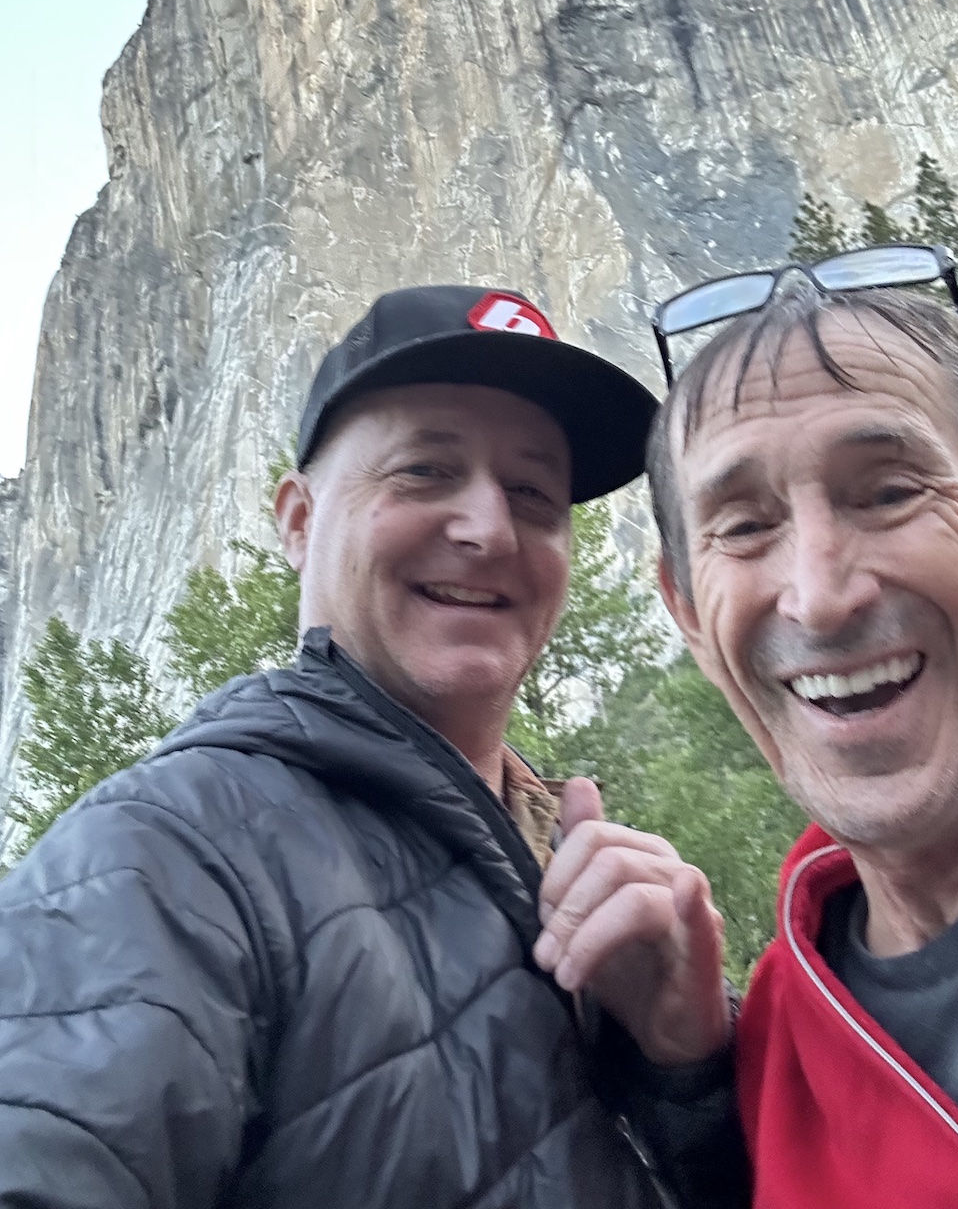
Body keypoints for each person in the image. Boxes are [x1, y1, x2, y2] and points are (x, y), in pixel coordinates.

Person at [0, 282, 734, 1209]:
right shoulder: (165, 859)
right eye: (425, 471)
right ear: (299, 521)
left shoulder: (573, 859)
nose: (489, 528)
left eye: (533, 493)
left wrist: (688, 1070)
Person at [536, 247, 958, 1209]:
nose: (820, 596)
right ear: (691, 617)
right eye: (744, 526)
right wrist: (688, 1083)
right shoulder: (778, 1037)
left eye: (889, 492)